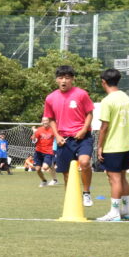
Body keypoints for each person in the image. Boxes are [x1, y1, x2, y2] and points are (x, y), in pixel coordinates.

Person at [43, 64, 95, 206]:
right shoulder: (50, 98)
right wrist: (57, 136)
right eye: (60, 78)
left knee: (84, 162)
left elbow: (90, 113)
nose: (63, 81)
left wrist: (84, 129)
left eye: (67, 78)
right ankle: (71, 202)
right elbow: (51, 118)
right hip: (64, 140)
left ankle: (86, 193)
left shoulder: (81, 94)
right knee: (66, 174)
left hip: (83, 137)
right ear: (56, 80)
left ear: (72, 79)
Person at [94, 68, 129, 221]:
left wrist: (99, 147)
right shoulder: (125, 97)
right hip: (126, 144)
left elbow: (104, 127)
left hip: (113, 145)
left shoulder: (107, 101)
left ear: (103, 82)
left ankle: (114, 212)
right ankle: (126, 211)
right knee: (123, 178)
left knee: (114, 179)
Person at [30, 118, 58, 186]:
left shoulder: (53, 130)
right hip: (38, 152)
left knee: (45, 167)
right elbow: (34, 140)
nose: (45, 122)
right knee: (37, 169)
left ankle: (54, 179)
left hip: (48, 152)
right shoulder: (39, 130)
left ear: (49, 122)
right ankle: (44, 181)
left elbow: (58, 136)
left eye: (46, 121)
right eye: (44, 121)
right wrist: (34, 132)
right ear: (42, 122)